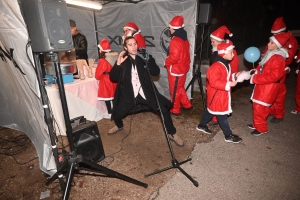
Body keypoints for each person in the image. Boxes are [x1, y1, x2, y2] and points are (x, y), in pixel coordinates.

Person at [108, 36, 184, 147]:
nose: (133, 47)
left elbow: (156, 72)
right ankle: (119, 126)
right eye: (130, 45)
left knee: (163, 110)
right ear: (125, 47)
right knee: (117, 114)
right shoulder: (123, 60)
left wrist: (148, 60)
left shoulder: (144, 57)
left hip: (146, 93)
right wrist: (118, 64)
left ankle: (172, 133)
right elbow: (113, 77)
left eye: (135, 44)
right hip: (129, 94)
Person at [196, 40, 242, 143]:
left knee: (210, 111)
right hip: (217, 96)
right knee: (222, 116)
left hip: (218, 95)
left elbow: (226, 76)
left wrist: (235, 76)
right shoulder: (217, 66)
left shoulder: (225, 64)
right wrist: (228, 84)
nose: (233, 54)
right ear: (224, 53)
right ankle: (228, 135)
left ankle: (201, 125)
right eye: (231, 52)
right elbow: (213, 82)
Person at [247, 32, 290, 136]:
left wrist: (256, 78)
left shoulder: (278, 58)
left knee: (260, 108)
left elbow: (274, 76)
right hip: (263, 85)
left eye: (272, 43)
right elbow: (263, 67)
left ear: (278, 45)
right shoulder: (271, 54)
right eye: (269, 42)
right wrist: (256, 70)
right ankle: (257, 124)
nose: (268, 44)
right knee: (257, 106)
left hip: (268, 87)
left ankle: (261, 128)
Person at [261, 17, 298, 123]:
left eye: (277, 34)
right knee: (268, 92)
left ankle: (279, 114)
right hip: (268, 69)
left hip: (279, 71)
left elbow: (288, 58)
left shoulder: (291, 41)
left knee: (278, 93)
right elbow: (266, 50)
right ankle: (271, 110)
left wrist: (280, 66)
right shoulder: (274, 40)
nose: (275, 37)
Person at [209, 25, 240, 125]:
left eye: (213, 41)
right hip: (216, 80)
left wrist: (231, 80)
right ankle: (214, 115)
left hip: (225, 81)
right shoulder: (216, 51)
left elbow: (233, 67)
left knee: (222, 100)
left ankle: (218, 118)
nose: (211, 43)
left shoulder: (230, 52)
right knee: (213, 99)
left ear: (219, 42)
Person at [165, 15, 192, 116]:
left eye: (170, 27)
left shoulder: (175, 40)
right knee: (180, 88)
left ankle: (175, 110)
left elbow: (174, 57)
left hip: (176, 69)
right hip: (183, 68)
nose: (169, 29)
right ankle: (187, 104)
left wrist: (166, 62)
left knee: (174, 90)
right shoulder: (185, 39)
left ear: (174, 29)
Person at [95, 38, 117, 119]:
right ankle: (115, 110)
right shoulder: (114, 58)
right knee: (114, 97)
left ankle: (110, 112)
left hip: (106, 80)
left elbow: (98, 73)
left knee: (107, 98)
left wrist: (97, 77)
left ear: (101, 50)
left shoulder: (102, 60)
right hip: (113, 79)